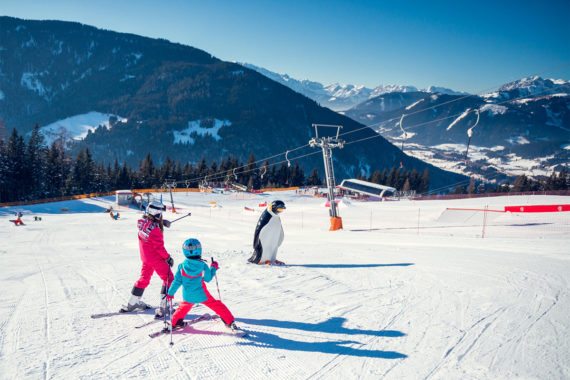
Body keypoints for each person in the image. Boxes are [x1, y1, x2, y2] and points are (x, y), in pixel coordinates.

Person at [167, 238, 242, 334]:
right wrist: (213, 268)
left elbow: (176, 282)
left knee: (183, 307)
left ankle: (175, 322)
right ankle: (229, 321)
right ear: (199, 250)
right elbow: (208, 278)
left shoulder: (181, 266)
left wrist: (170, 293)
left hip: (188, 295)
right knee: (217, 305)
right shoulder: (202, 266)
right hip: (202, 295)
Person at [120, 201, 174, 318]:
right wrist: (168, 258)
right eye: (160, 213)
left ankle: (132, 303)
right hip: (155, 258)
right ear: (157, 213)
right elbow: (159, 247)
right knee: (169, 278)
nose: (161, 215)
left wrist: (161, 223)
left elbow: (148, 225)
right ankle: (164, 306)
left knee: (144, 278)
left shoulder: (141, 222)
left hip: (145, 257)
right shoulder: (155, 230)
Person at [248, 200, 286, 265]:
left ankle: (272, 259)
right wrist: (256, 244)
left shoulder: (276, 217)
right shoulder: (266, 216)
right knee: (265, 244)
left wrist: (280, 238)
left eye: (281, 210)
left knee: (273, 244)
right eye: (279, 209)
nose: (280, 211)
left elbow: (280, 231)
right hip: (261, 247)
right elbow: (258, 230)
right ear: (273, 207)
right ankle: (262, 259)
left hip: (273, 247)